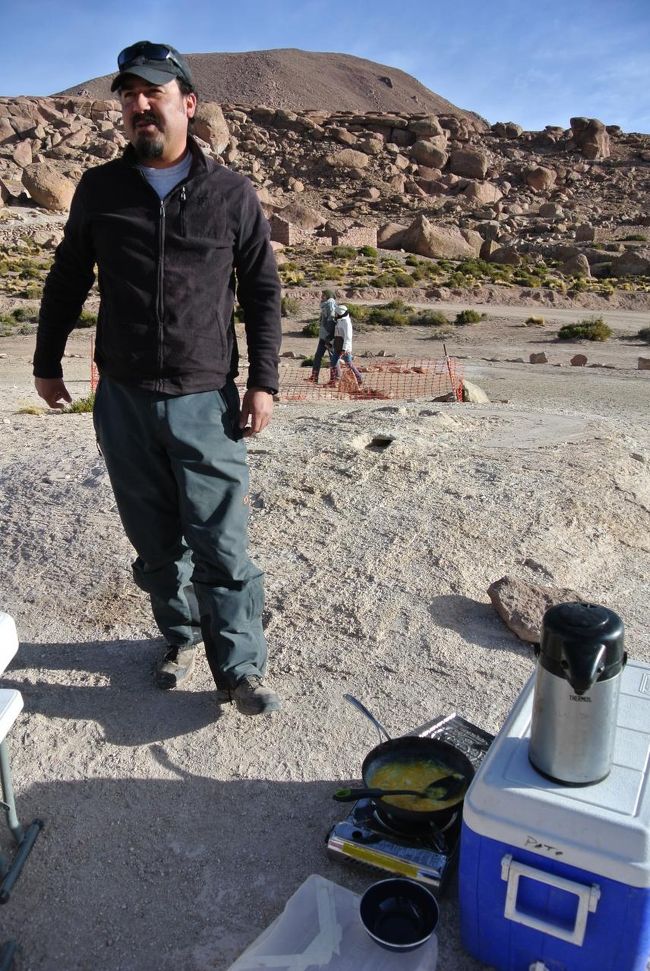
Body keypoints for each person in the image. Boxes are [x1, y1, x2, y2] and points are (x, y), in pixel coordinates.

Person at [33, 40, 282, 716]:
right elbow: (66, 280)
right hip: (124, 398)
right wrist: (46, 361)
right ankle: (177, 637)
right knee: (154, 543)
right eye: (130, 96)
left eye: (155, 93)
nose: (140, 105)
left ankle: (240, 667)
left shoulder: (230, 193)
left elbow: (262, 289)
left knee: (222, 542)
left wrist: (265, 381)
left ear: (188, 104)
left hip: (207, 398)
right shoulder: (101, 188)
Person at [328, 304, 363, 387]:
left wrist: (344, 349)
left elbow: (348, 337)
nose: (335, 314)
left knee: (349, 364)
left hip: (344, 348)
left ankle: (359, 377)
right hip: (337, 346)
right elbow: (337, 336)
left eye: (337, 313)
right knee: (333, 363)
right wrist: (331, 343)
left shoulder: (346, 323)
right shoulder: (339, 321)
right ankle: (334, 381)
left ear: (340, 313)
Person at [307, 289, 337, 383]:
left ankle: (334, 379)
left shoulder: (330, 304)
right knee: (318, 356)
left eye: (323, 295)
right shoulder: (325, 305)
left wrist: (329, 336)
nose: (321, 297)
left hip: (329, 337)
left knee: (333, 358)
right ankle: (314, 377)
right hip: (323, 336)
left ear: (328, 296)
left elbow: (331, 321)